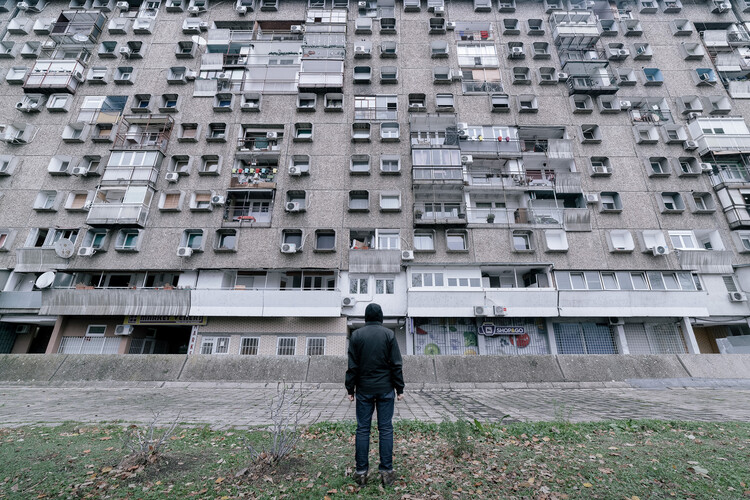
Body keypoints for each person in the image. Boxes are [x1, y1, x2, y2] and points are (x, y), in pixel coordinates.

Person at [345, 303, 405, 487]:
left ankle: (361, 472)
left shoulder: (356, 335)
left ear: (365, 317)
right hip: (386, 388)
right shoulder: (388, 335)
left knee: (363, 429)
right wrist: (399, 388)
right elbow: (396, 363)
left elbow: (352, 365)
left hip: (364, 390)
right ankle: (386, 472)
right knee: (385, 428)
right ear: (380, 317)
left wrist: (350, 388)